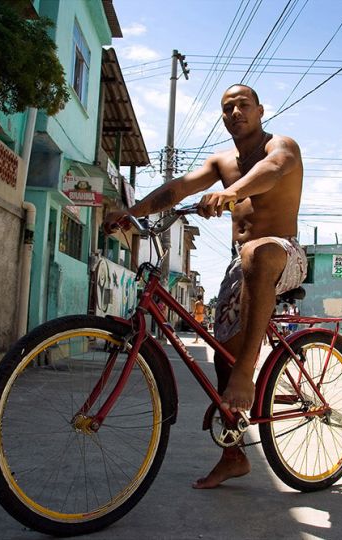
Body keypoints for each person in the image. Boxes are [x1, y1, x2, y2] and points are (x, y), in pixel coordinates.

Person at [103, 84, 306, 489]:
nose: (234, 112)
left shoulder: (279, 145)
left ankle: (248, 373)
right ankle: (233, 455)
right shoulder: (221, 160)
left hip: (283, 255)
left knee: (256, 255)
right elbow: (178, 187)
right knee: (220, 354)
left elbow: (276, 168)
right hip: (242, 264)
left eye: (242, 105)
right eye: (227, 108)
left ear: (261, 109)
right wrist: (133, 212)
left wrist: (230, 193)